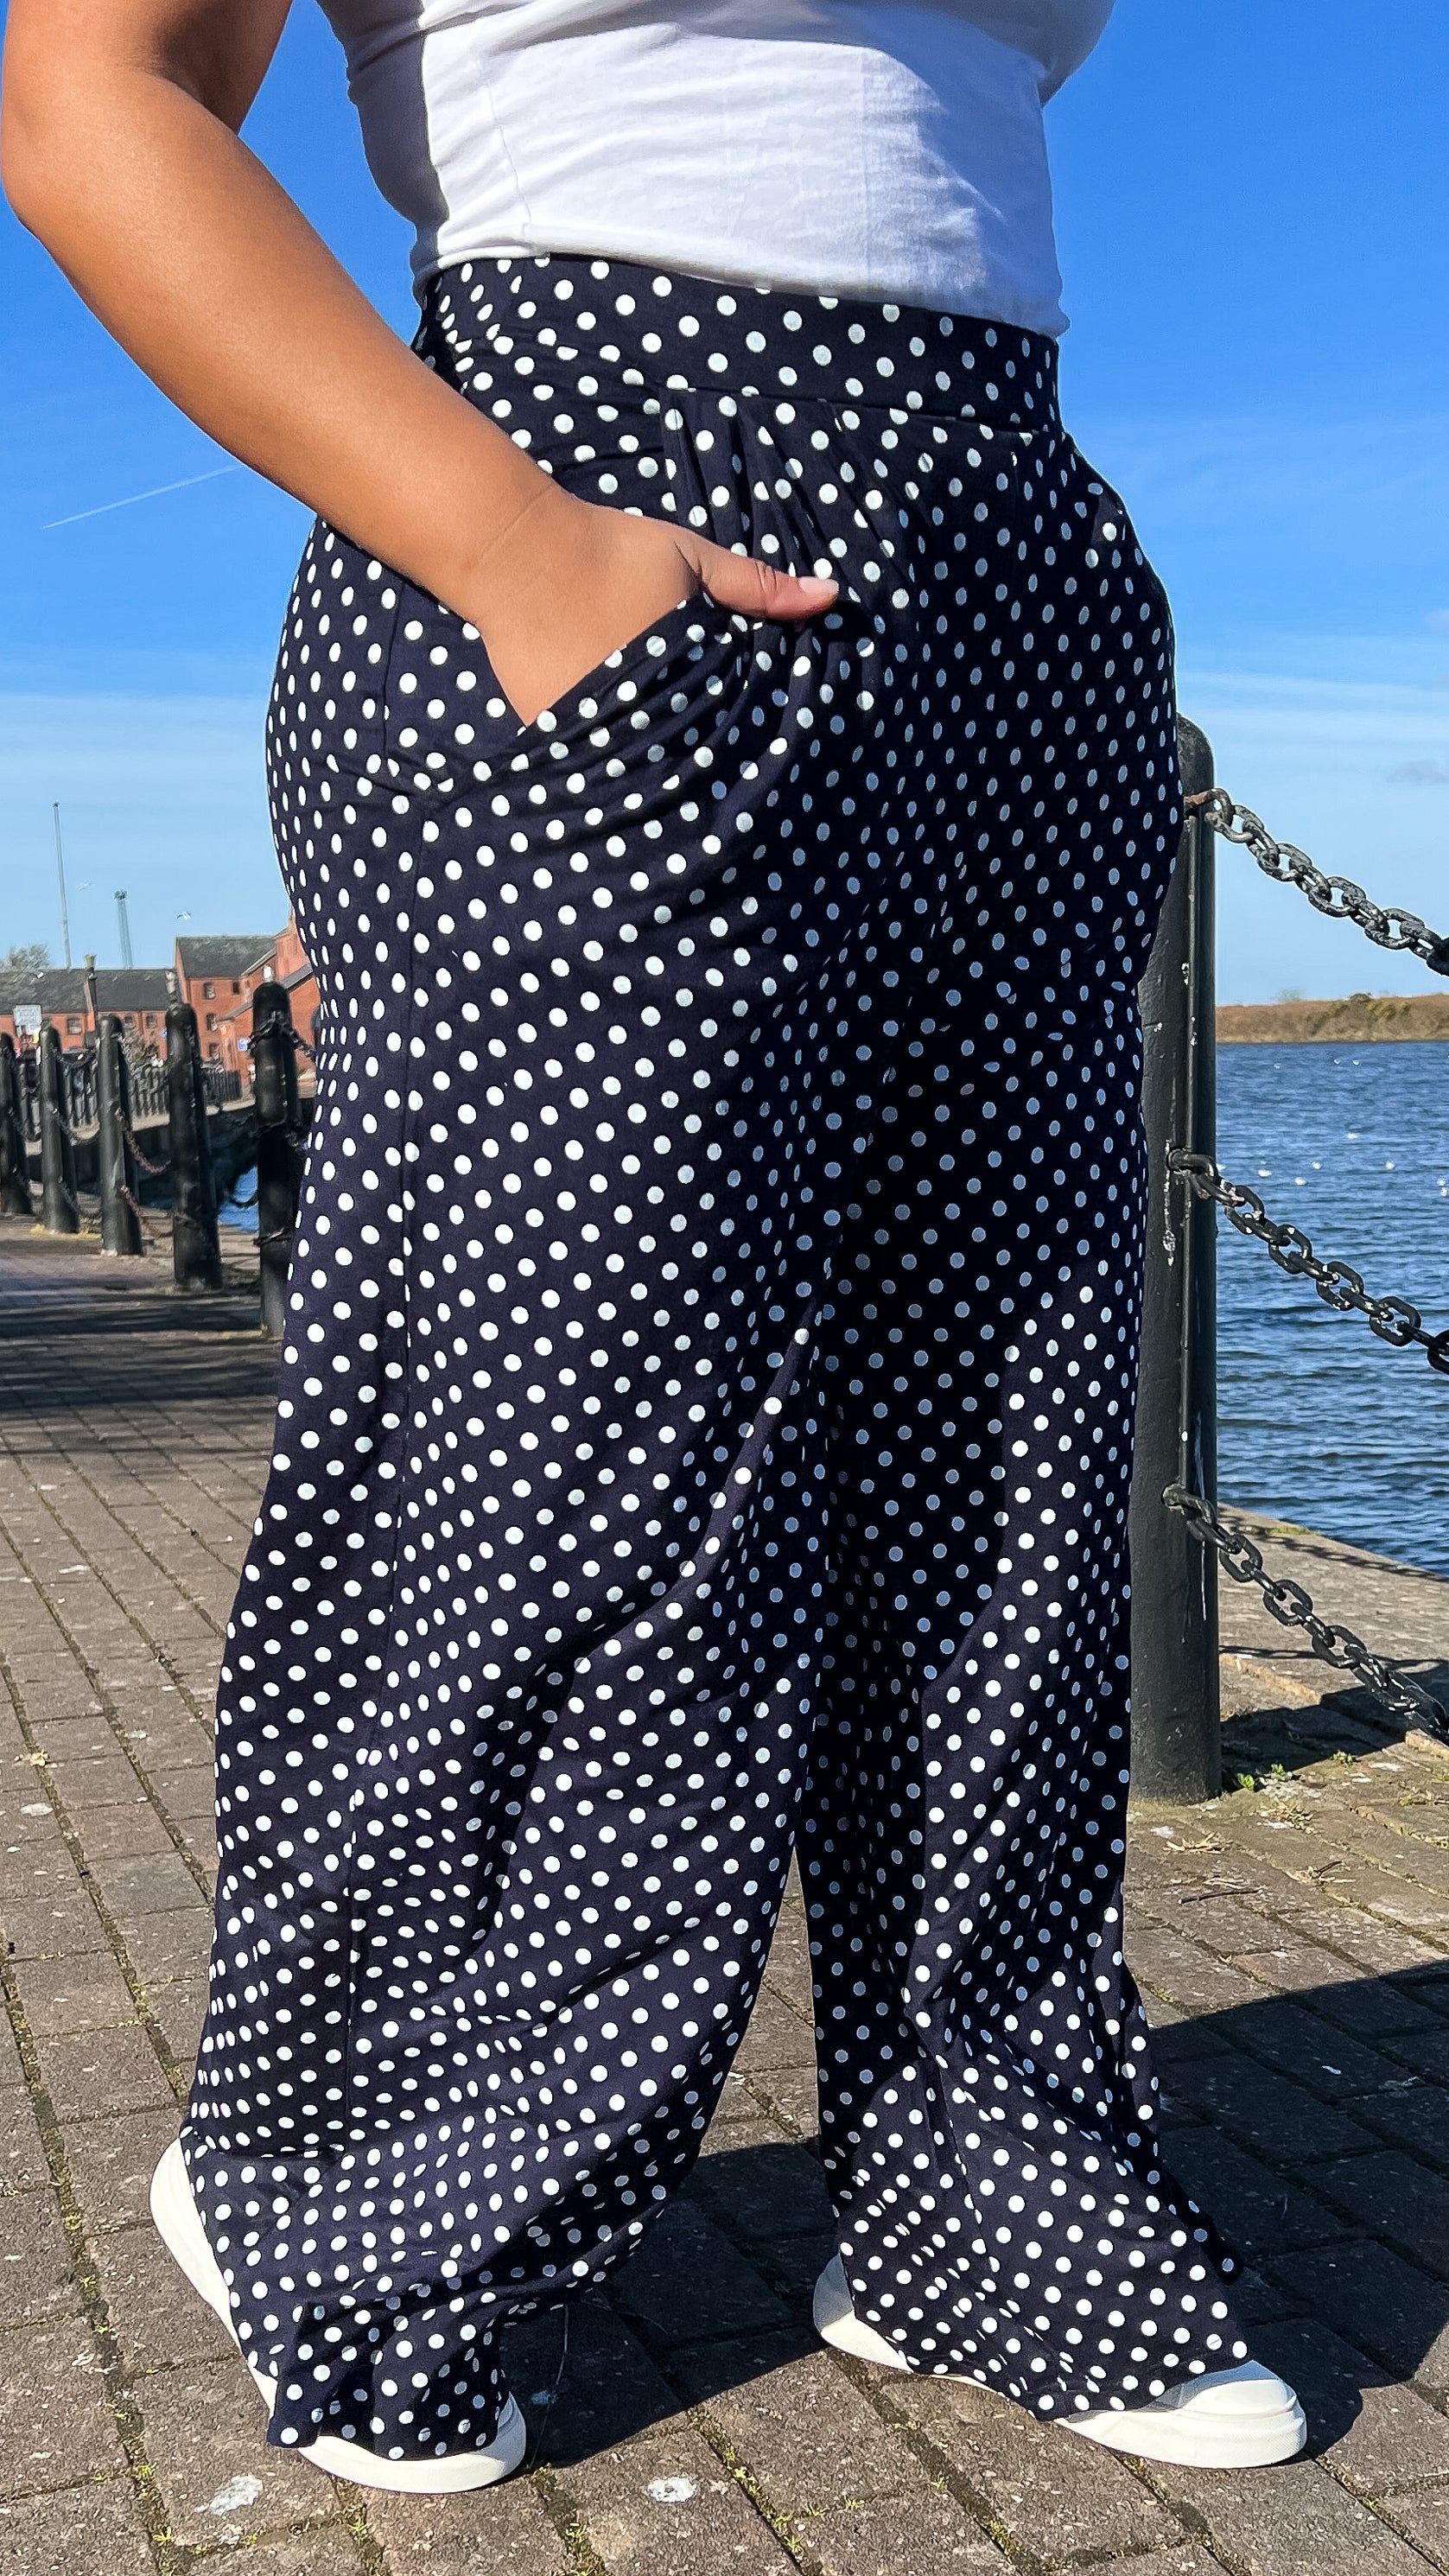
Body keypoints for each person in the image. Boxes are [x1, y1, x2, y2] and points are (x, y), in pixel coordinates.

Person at [3, 0, 1306, 2496]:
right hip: (589, 483)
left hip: (1011, 568)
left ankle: (991, 2199)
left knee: (1007, 1450)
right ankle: (350, 2179)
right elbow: (90, 101)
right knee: (565, 1462)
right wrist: (526, 550)